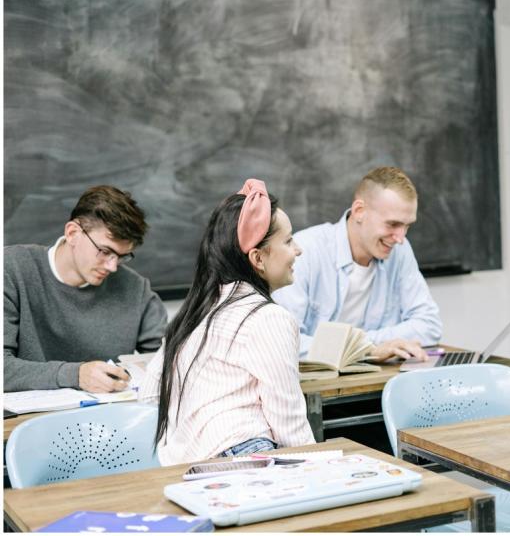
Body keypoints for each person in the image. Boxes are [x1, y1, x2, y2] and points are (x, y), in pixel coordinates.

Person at [140, 179, 314, 465]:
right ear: (257, 258)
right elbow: (288, 424)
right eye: (288, 240)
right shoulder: (268, 318)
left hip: (184, 465)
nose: (298, 250)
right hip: (245, 454)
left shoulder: (196, 310)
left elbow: (149, 395)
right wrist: (320, 469)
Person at [4, 185, 167, 393]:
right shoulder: (10, 270)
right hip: (25, 421)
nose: (113, 266)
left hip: (108, 418)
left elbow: (167, 358)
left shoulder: (135, 288)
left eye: (122, 256)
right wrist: (76, 375)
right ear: (72, 233)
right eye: (105, 251)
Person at [273, 166, 440, 362]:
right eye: (393, 224)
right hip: (318, 388)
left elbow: (429, 326)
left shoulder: (400, 252)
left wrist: (366, 345)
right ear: (359, 211)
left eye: (407, 226)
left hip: (376, 381)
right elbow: (286, 342)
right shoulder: (304, 252)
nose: (401, 238)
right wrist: (367, 349)